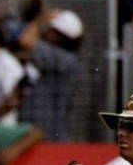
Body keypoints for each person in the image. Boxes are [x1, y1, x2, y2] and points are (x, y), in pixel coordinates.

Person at [16, 8, 84, 141]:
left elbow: (25, 40)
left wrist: (39, 20)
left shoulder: (63, 59)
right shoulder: (63, 59)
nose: (45, 32)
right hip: (41, 130)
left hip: (48, 134)